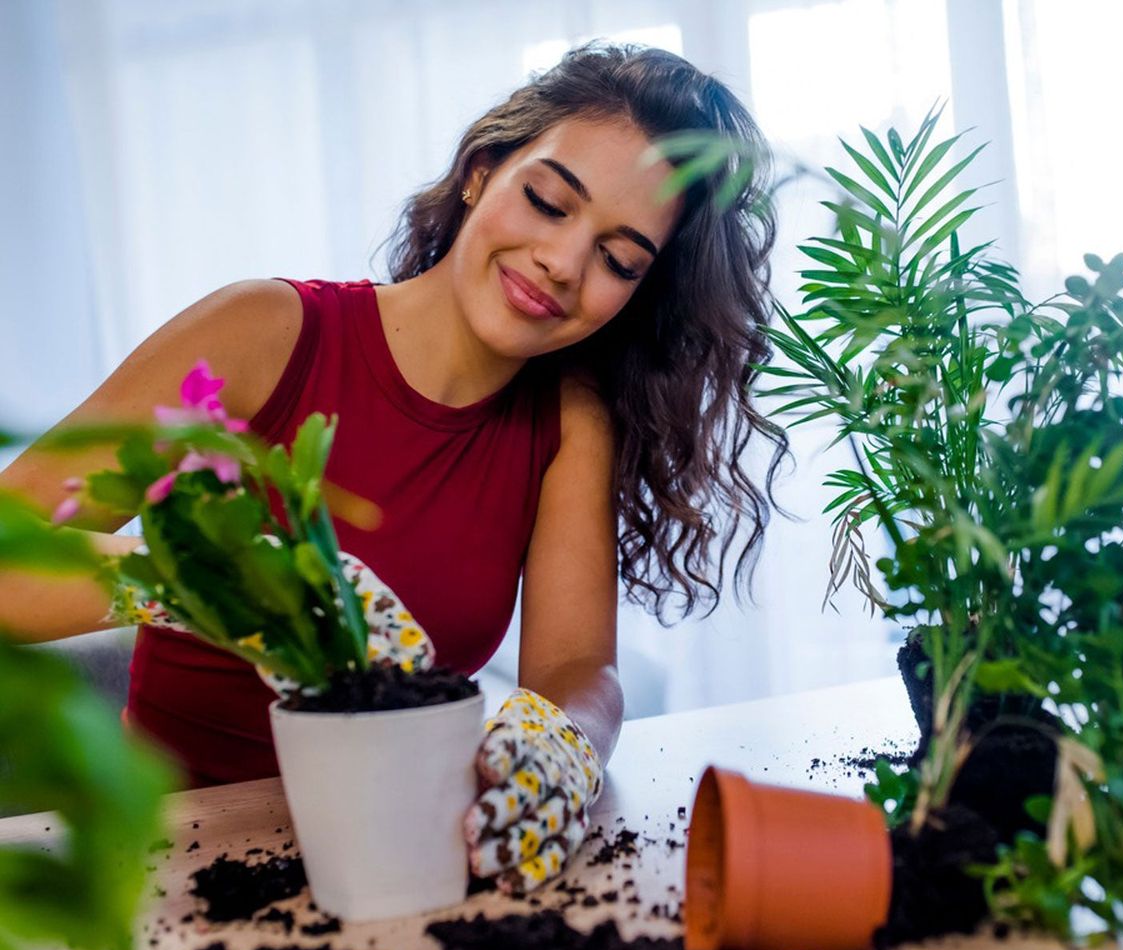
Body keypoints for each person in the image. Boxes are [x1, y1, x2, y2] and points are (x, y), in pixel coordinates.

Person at [0, 40, 789, 892]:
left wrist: (565, 742)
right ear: (483, 170)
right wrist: (201, 579)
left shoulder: (568, 419)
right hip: (168, 855)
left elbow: (575, 668)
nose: (564, 264)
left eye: (620, 260)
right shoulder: (265, 335)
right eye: (550, 202)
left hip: (394, 859)